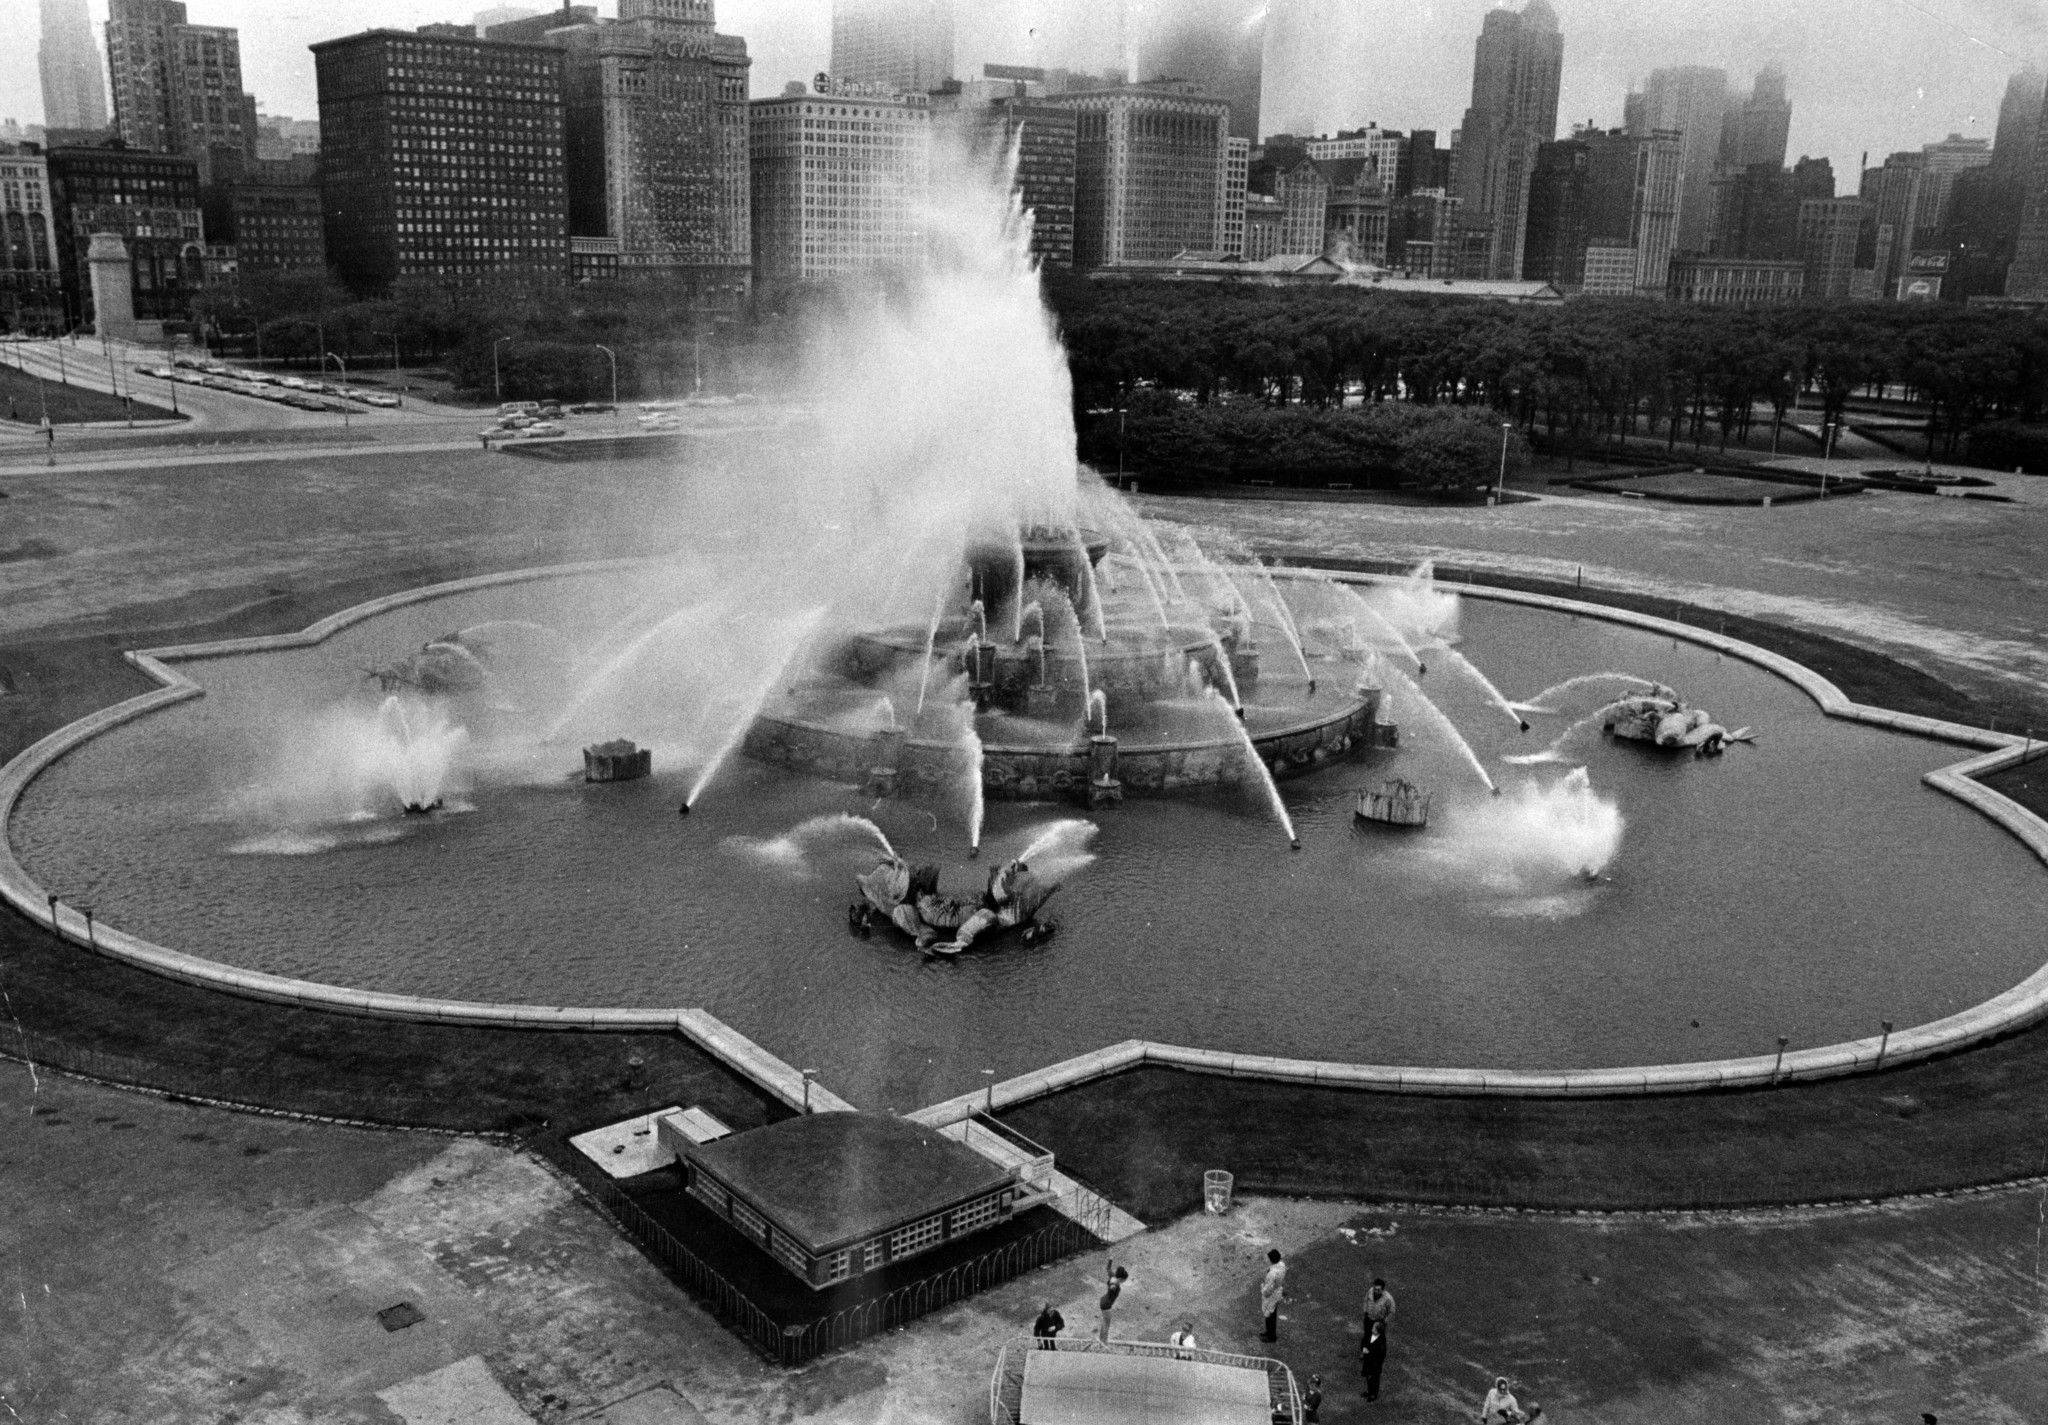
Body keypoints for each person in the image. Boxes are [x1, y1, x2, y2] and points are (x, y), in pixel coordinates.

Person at [1259, 1248, 1288, 1343]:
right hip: (1277, 1292)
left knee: (1269, 1315)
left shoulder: (1272, 1273)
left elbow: (1268, 1289)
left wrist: (1262, 1288)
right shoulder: (1281, 1265)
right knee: (1272, 1314)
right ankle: (1270, 1333)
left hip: (1271, 1295)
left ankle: (1270, 1336)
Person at [1098, 1262, 1128, 1342]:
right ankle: (1103, 1342)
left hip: (1104, 1302)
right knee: (1106, 1324)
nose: (1124, 1282)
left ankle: (1101, 1339)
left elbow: (1108, 1268)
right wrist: (1113, 1286)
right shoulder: (1115, 1282)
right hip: (1107, 1305)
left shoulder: (1113, 1276)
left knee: (1105, 1322)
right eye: (1124, 1280)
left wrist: (1110, 1259)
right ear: (1121, 1278)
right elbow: (1112, 1286)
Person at [1360, 1319, 1387, 1402]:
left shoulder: (1381, 1341)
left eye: (1374, 1328)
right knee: (1368, 1377)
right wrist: (1363, 1348)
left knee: (1374, 1379)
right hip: (1368, 1361)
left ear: (1378, 1331)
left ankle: (1373, 1394)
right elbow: (1364, 1341)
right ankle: (1369, 1391)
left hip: (1375, 1364)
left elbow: (1380, 1355)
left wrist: (1369, 1352)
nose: (1372, 1329)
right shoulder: (1369, 1334)